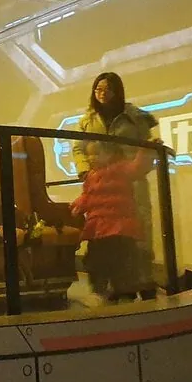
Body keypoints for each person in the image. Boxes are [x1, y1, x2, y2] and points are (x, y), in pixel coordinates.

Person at [71, 72, 160, 300]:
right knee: (107, 244)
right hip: (101, 183)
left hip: (133, 183)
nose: (102, 93)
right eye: (98, 89)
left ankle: (144, 282)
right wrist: (86, 171)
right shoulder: (87, 120)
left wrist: (146, 156)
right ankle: (113, 286)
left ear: (117, 91)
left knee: (139, 235)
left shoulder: (135, 117)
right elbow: (79, 148)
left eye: (107, 89)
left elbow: (146, 145)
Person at [70, 142, 153, 301]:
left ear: (110, 154)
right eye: (89, 154)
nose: (91, 158)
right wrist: (77, 206)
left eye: (96, 154)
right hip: (98, 228)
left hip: (119, 227)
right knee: (95, 261)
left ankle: (124, 292)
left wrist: (146, 150)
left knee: (122, 262)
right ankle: (99, 290)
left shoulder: (121, 168)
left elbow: (138, 167)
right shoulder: (91, 176)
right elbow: (87, 196)